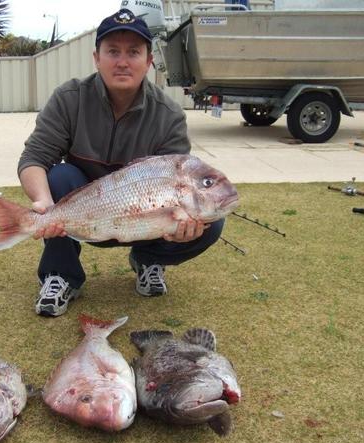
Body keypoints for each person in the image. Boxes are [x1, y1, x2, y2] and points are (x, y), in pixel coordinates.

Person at [17, 8, 224, 317]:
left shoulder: (168, 114)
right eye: (112, 51)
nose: (123, 61)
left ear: (149, 61)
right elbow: (34, 158)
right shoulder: (69, 98)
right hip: (84, 215)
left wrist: (184, 223)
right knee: (58, 177)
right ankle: (61, 275)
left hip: (143, 220)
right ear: (96, 57)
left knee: (209, 220)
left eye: (133, 52)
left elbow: (181, 181)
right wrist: (44, 204)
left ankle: (147, 261)